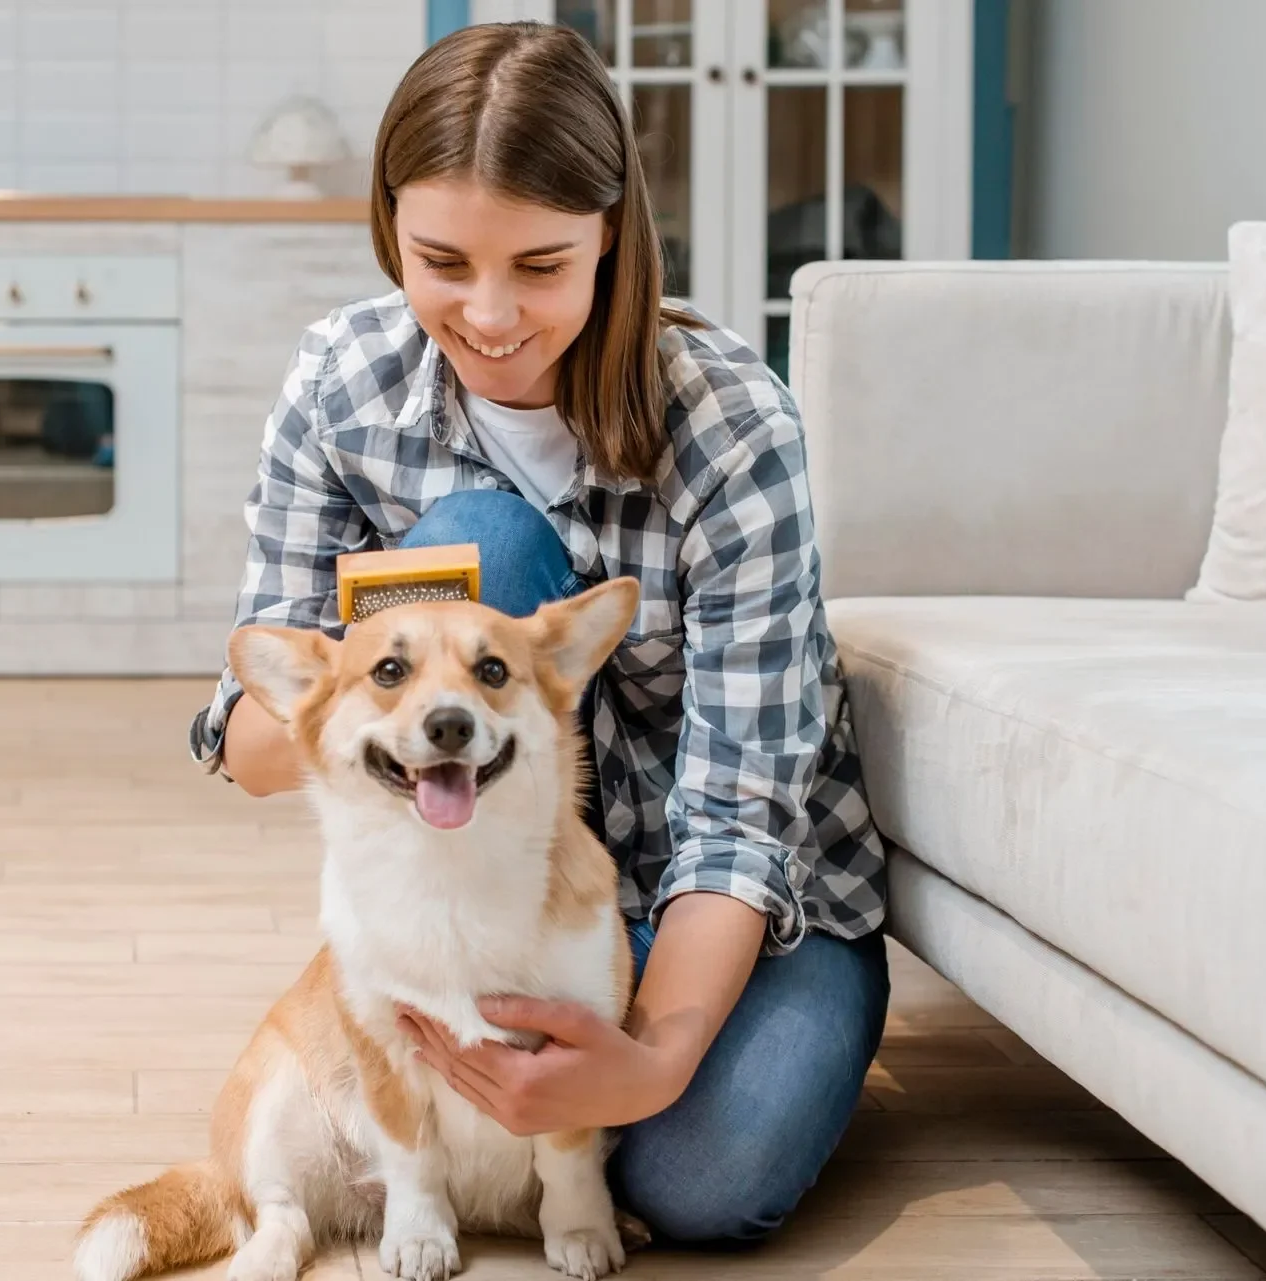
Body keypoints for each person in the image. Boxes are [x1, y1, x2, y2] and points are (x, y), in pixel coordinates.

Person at [186, 20, 889, 1249]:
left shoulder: (732, 428)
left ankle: (647, 1069)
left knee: (705, 1180)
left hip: (717, 897)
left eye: (543, 266)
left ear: (613, 234)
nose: (492, 314)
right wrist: (375, 683)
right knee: (478, 546)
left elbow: (737, 822)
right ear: (387, 227)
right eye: (442, 260)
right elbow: (251, 751)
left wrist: (655, 1059)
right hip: (485, 889)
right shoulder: (342, 388)